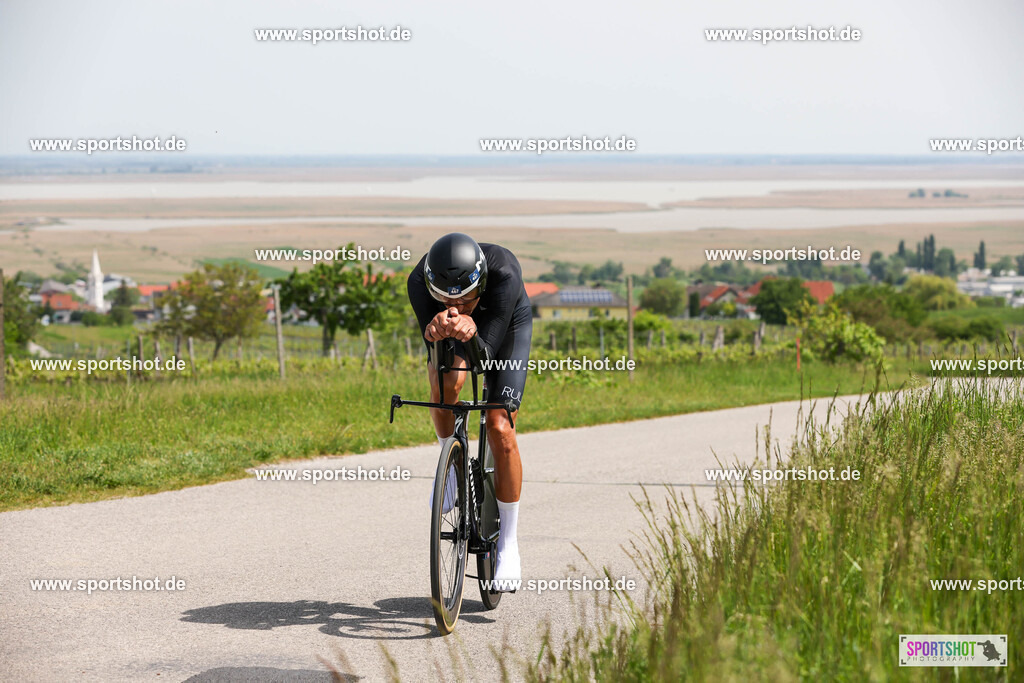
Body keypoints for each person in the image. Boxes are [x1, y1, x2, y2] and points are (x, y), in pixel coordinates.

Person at [407, 232, 532, 591]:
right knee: (447, 385)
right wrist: (435, 329)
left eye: (463, 300)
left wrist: (472, 329)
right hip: (464, 328)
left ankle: (508, 542)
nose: (454, 306)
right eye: (444, 300)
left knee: (499, 426)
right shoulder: (418, 281)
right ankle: (452, 466)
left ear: (479, 286)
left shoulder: (504, 275)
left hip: (504, 327)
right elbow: (439, 362)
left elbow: (486, 356)